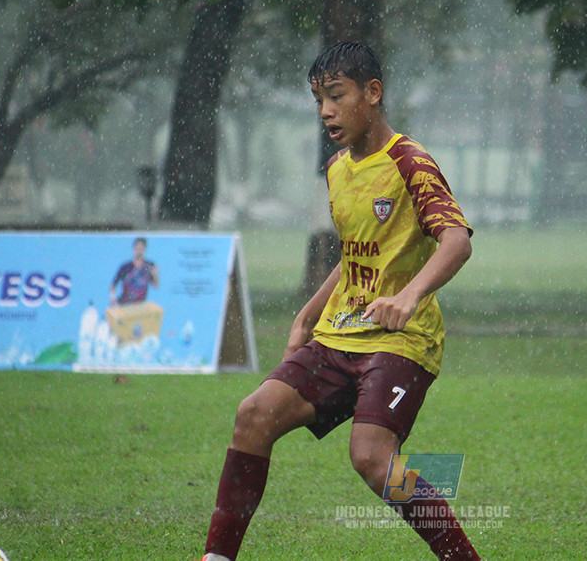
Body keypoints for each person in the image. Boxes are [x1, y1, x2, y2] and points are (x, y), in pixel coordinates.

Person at [199, 42, 480, 561]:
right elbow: (355, 256)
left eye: (336, 95)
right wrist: (306, 316)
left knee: (373, 460)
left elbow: (456, 240)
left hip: (401, 340)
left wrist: (410, 295)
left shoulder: (410, 162)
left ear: (372, 93)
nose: (326, 111)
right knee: (253, 415)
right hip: (338, 333)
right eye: (318, 100)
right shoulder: (336, 170)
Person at [109, 237, 159, 305]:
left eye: (141, 249)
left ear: (145, 250)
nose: (139, 252)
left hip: (140, 306)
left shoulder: (149, 266)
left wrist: (155, 275)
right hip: (125, 304)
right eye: (137, 249)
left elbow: (155, 285)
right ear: (133, 250)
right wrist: (112, 298)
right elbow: (113, 285)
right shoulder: (125, 267)